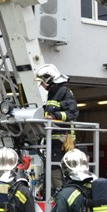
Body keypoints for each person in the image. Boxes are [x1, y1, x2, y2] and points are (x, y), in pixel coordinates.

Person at [35, 63, 79, 197]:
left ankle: (62, 195)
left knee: (59, 169)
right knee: (52, 168)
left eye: (42, 82)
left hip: (64, 139)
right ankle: (56, 194)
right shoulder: (52, 93)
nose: (41, 85)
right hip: (53, 138)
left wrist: (55, 116)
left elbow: (73, 113)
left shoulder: (64, 91)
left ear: (49, 79)